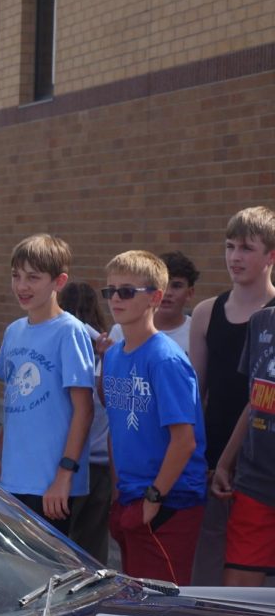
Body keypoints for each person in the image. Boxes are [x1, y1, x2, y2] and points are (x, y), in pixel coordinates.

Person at [102, 250, 207, 585]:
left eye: (127, 291)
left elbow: (184, 440)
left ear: (155, 298)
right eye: (110, 291)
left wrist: (154, 497)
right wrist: (121, 494)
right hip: (130, 498)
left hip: (168, 502)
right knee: (132, 601)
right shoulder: (115, 355)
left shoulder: (165, 359)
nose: (115, 298)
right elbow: (116, 430)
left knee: (162, 607)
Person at [0, 235, 94, 536]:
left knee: (48, 576)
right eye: (16, 276)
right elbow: (17, 404)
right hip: (11, 480)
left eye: (33, 278)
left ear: (58, 282)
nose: (22, 286)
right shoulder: (13, 331)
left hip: (50, 486)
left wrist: (64, 474)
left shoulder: (70, 332)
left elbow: (83, 411)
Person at [188, 206, 275, 585]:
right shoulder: (208, 312)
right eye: (229, 247)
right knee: (213, 571)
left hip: (260, 458)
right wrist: (202, 458)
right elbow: (195, 393)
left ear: (271, 256)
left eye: (246, 248)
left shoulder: (270, 317)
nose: (235, 257)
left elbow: (258, 397)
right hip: (214, 461)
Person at [209, 301, 275, 587]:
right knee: (238, 597)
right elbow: (255, 399)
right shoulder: (261, 321)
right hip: (255, 481)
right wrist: (225, 461)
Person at [58, 281, 114, 563]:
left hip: (67, 458)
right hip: (100, 463)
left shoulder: (67, 349)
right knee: (92, 546)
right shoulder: (106, 352)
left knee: (61, 543)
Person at [109, 251, 197, 353]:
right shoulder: (121, 330)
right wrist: (104, 357)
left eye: (176, 286)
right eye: (164, 285)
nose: (167, 293)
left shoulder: (196, 331)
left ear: (190, 293)